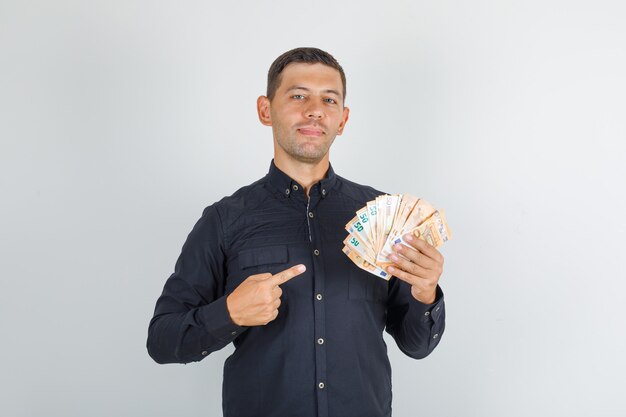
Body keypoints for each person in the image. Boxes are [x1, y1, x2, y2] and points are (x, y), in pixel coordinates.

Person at [147, 47, 446, 417]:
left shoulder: (385, 217)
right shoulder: (223, 220)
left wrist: (425, 292)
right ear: (265, 110)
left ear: (343, 119)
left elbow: (417, 345)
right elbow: (162, 340)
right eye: (298, 95)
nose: (315, 110)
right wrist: (229, 313)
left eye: (329, 99)